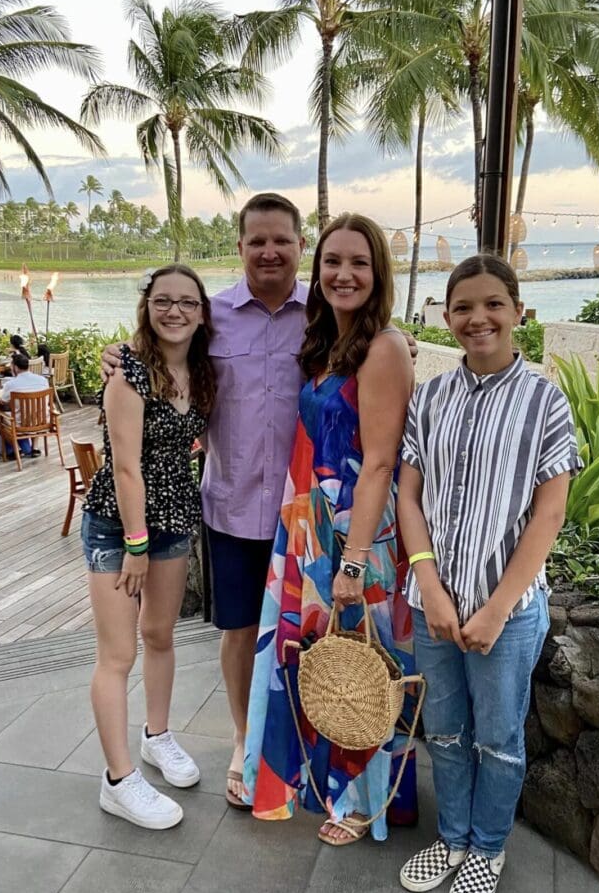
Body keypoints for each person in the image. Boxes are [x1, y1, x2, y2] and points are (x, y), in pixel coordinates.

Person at [101, 193, 417, 812]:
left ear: (301, 247)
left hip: (314, 522)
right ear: (240, 247)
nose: (270, 252)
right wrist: (121, 356)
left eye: (282, 241)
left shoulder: (325, 317)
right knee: (245, 632)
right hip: (237, 509)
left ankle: (320, 749)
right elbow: (160, 353)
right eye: (256, 241)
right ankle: (249, 744)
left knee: (322, 637)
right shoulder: (211, 318)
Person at [396, 254, 581, 893]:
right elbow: (409, 498)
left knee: (498, 739)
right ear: (446, 317)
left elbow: (549, 512)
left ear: (517, 311)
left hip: (507, 613)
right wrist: (433, 589)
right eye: (464, 307)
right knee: (443, 728)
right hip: (435, 607)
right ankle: (451, 839)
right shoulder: (431, 395)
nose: (478, 318)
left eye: (492, 304)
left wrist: (497, 610)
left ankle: (487, 847)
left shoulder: (544, 400)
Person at [243, 213, 417, 845]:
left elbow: (377, 462)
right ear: (317, 272)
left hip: (357, 533)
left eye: (359, 263)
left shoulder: (384, 347)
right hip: (314, 526)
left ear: (379, 274)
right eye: (333, 262)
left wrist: (352, 560)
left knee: (365, 663)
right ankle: (326, 786)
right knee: (330, 667)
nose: (344, 274)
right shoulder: (327, 343)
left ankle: (362, 804)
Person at [84, 263, 215, 830]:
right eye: (164, 300)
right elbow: (127, 468)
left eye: (188, 302)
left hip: (173, 520)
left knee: (160, 635)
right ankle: (118, 781)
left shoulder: (205, 370)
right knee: (118, 654)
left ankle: (156, 736)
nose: (176, 311)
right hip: (120, 526)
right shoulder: (128, 372)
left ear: (203, 311)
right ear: (147, 305)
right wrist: (136, 544)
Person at [0, 352, 49, 457]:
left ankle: (18, 448)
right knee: (35, 411)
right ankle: (34, 447)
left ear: (15, 367)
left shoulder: (11, 384)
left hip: (21, 423)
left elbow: (4, 401)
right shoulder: (43, 380)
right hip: (42, 421)